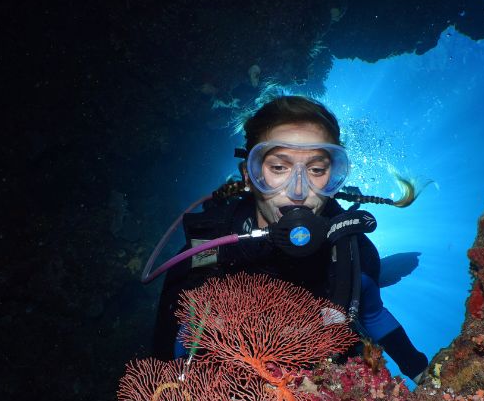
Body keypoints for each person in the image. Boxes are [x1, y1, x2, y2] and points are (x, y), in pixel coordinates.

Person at [149, 95, 429, 382]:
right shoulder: (208, 250)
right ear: (249, 175)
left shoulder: (353, 250)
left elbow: (373, 315)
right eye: (278, 168)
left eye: (316, 170)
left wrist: (421, 373)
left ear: (334, 178)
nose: (298, 190)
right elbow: (172, 349)